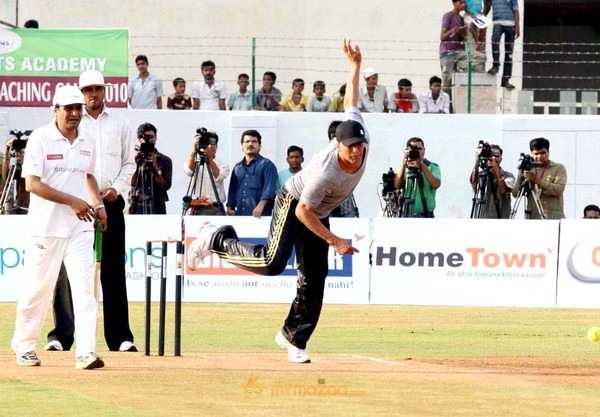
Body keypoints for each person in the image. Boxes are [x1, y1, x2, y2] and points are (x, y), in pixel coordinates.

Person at [187, 39, 366, 364]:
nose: (356, 151)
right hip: (296, 200)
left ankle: (293, 338)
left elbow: (351, 102)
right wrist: (335, 239)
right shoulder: (324, 172)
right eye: (350, 146)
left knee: (315, 277)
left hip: (318, 210)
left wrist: (354, 67)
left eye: (359, 145)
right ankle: (215, 237)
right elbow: (303, 211)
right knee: (272, 263)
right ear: (338, 144)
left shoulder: (359, 135)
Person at [11, 85, 107, 369]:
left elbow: (88, 175)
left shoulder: (88, 140)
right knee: (37, 290)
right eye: (69, 108)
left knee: (85, 291)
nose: (75, 113)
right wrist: (73, 201)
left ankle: (86, 352)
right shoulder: (41, 138)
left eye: (78, 108)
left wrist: (97, 204)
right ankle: (25, 345)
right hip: (46, 228)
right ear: (56, 110)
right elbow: (32, 184)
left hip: (79, 228)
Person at [44, 70, 137, 353]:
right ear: (80, 93)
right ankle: (61, 335)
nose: (92, 94)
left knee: (113, 269)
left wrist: (116, 190)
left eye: (97, 88)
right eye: (87, 90)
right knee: (66, 269)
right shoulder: (70, 123)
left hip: (110, 201)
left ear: (105, 90)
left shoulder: (120, 123)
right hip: (75, 203)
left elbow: (128, 165)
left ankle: (120, 337)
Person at [226, 130, 278, 217]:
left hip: (260, 215)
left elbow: (269, 190)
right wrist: (229, 207)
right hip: (239, 215)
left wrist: (260, 206)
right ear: (242, 146)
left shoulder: (267, 165)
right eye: (247, 141)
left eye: (254, 141)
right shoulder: (237, 167)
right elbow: (232, 190)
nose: (250, 144)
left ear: (260, 145)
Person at [439, 0, 485, 99]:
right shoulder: (448, 16)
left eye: (464, 3)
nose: (463, 5)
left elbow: (460, 38)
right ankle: (447, 108)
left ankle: (462, 67)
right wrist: (452, 30)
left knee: (481, 57)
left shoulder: (461, 19)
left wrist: (462, 34)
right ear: (454, 3)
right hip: (447, 53)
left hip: (459, 52)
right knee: (447, 83)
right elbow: (442, 37)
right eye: (461, 3)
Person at [512, 137, 566, 220]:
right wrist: (520, 176)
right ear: (531, 154)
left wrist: (537, 181)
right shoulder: (527, 169)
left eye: (543, 153)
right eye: (536, 154)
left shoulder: (558, 168)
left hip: (553, 218)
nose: (539, 156)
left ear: (548, 152)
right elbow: (515, 194)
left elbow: (559, 189)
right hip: (533, 219)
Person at [129, 123, 172, 215]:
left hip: (157, 204)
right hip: (137, 203)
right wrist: (135, 161)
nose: (149, 140)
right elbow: (131, 182)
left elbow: (166, 186)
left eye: (151, 137)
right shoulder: (131, 159)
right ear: (139, 139)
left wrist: (156, 168)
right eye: (145, 137)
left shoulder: (165, 160)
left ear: (156, 138)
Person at [183, 130, 229, 215]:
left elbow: (219, 176)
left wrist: (210, 159)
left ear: (217, 146)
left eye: (212, 143)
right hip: (198, 207)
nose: (209, 146)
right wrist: (194, 150)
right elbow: (189, 171)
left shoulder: (222, 165)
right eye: (206, 143)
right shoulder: (195, 161)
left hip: (216, 207)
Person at [394, 137, 441, 218]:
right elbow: (397, 185)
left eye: (419, 149)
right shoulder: (404, 168)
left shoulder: (432, 167)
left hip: (425, 215)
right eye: (413, 149)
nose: (417, 152)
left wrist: (422, 165)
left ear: (424, 150)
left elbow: (436, 185)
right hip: (405, 214)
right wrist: (403, 164)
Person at [469, 143, 515, 218]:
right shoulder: (481, 175)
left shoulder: (508, 176)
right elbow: (474, 184)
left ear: (501, 159)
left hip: (501, 219)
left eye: (497, 156)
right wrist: (477, 159)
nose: (493, 158)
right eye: (491, 155)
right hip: (482, 218)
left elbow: (504, 190)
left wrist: (496, 170)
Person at [485, 0, 520, 90]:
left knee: (509, 53)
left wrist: (517, 26)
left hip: (510, 24)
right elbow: (487, 6)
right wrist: (480, 18)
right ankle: (496, 65)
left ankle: (506, 79)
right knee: (495, 42)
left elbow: (516, 10)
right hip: (498, 23)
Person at [327, 120, 359, 218]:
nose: (335, 140)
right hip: (328, 201)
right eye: (333, 137)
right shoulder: (325, 155)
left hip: (345, 201)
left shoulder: (350, 153)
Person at [1, 133, 30, 214]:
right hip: (18, 206)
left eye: (22, 152)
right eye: (17, 151)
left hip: (30, 208)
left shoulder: (31, 167)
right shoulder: (16, 168)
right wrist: (6, 151)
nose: (19, 154)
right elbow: (5, 176)